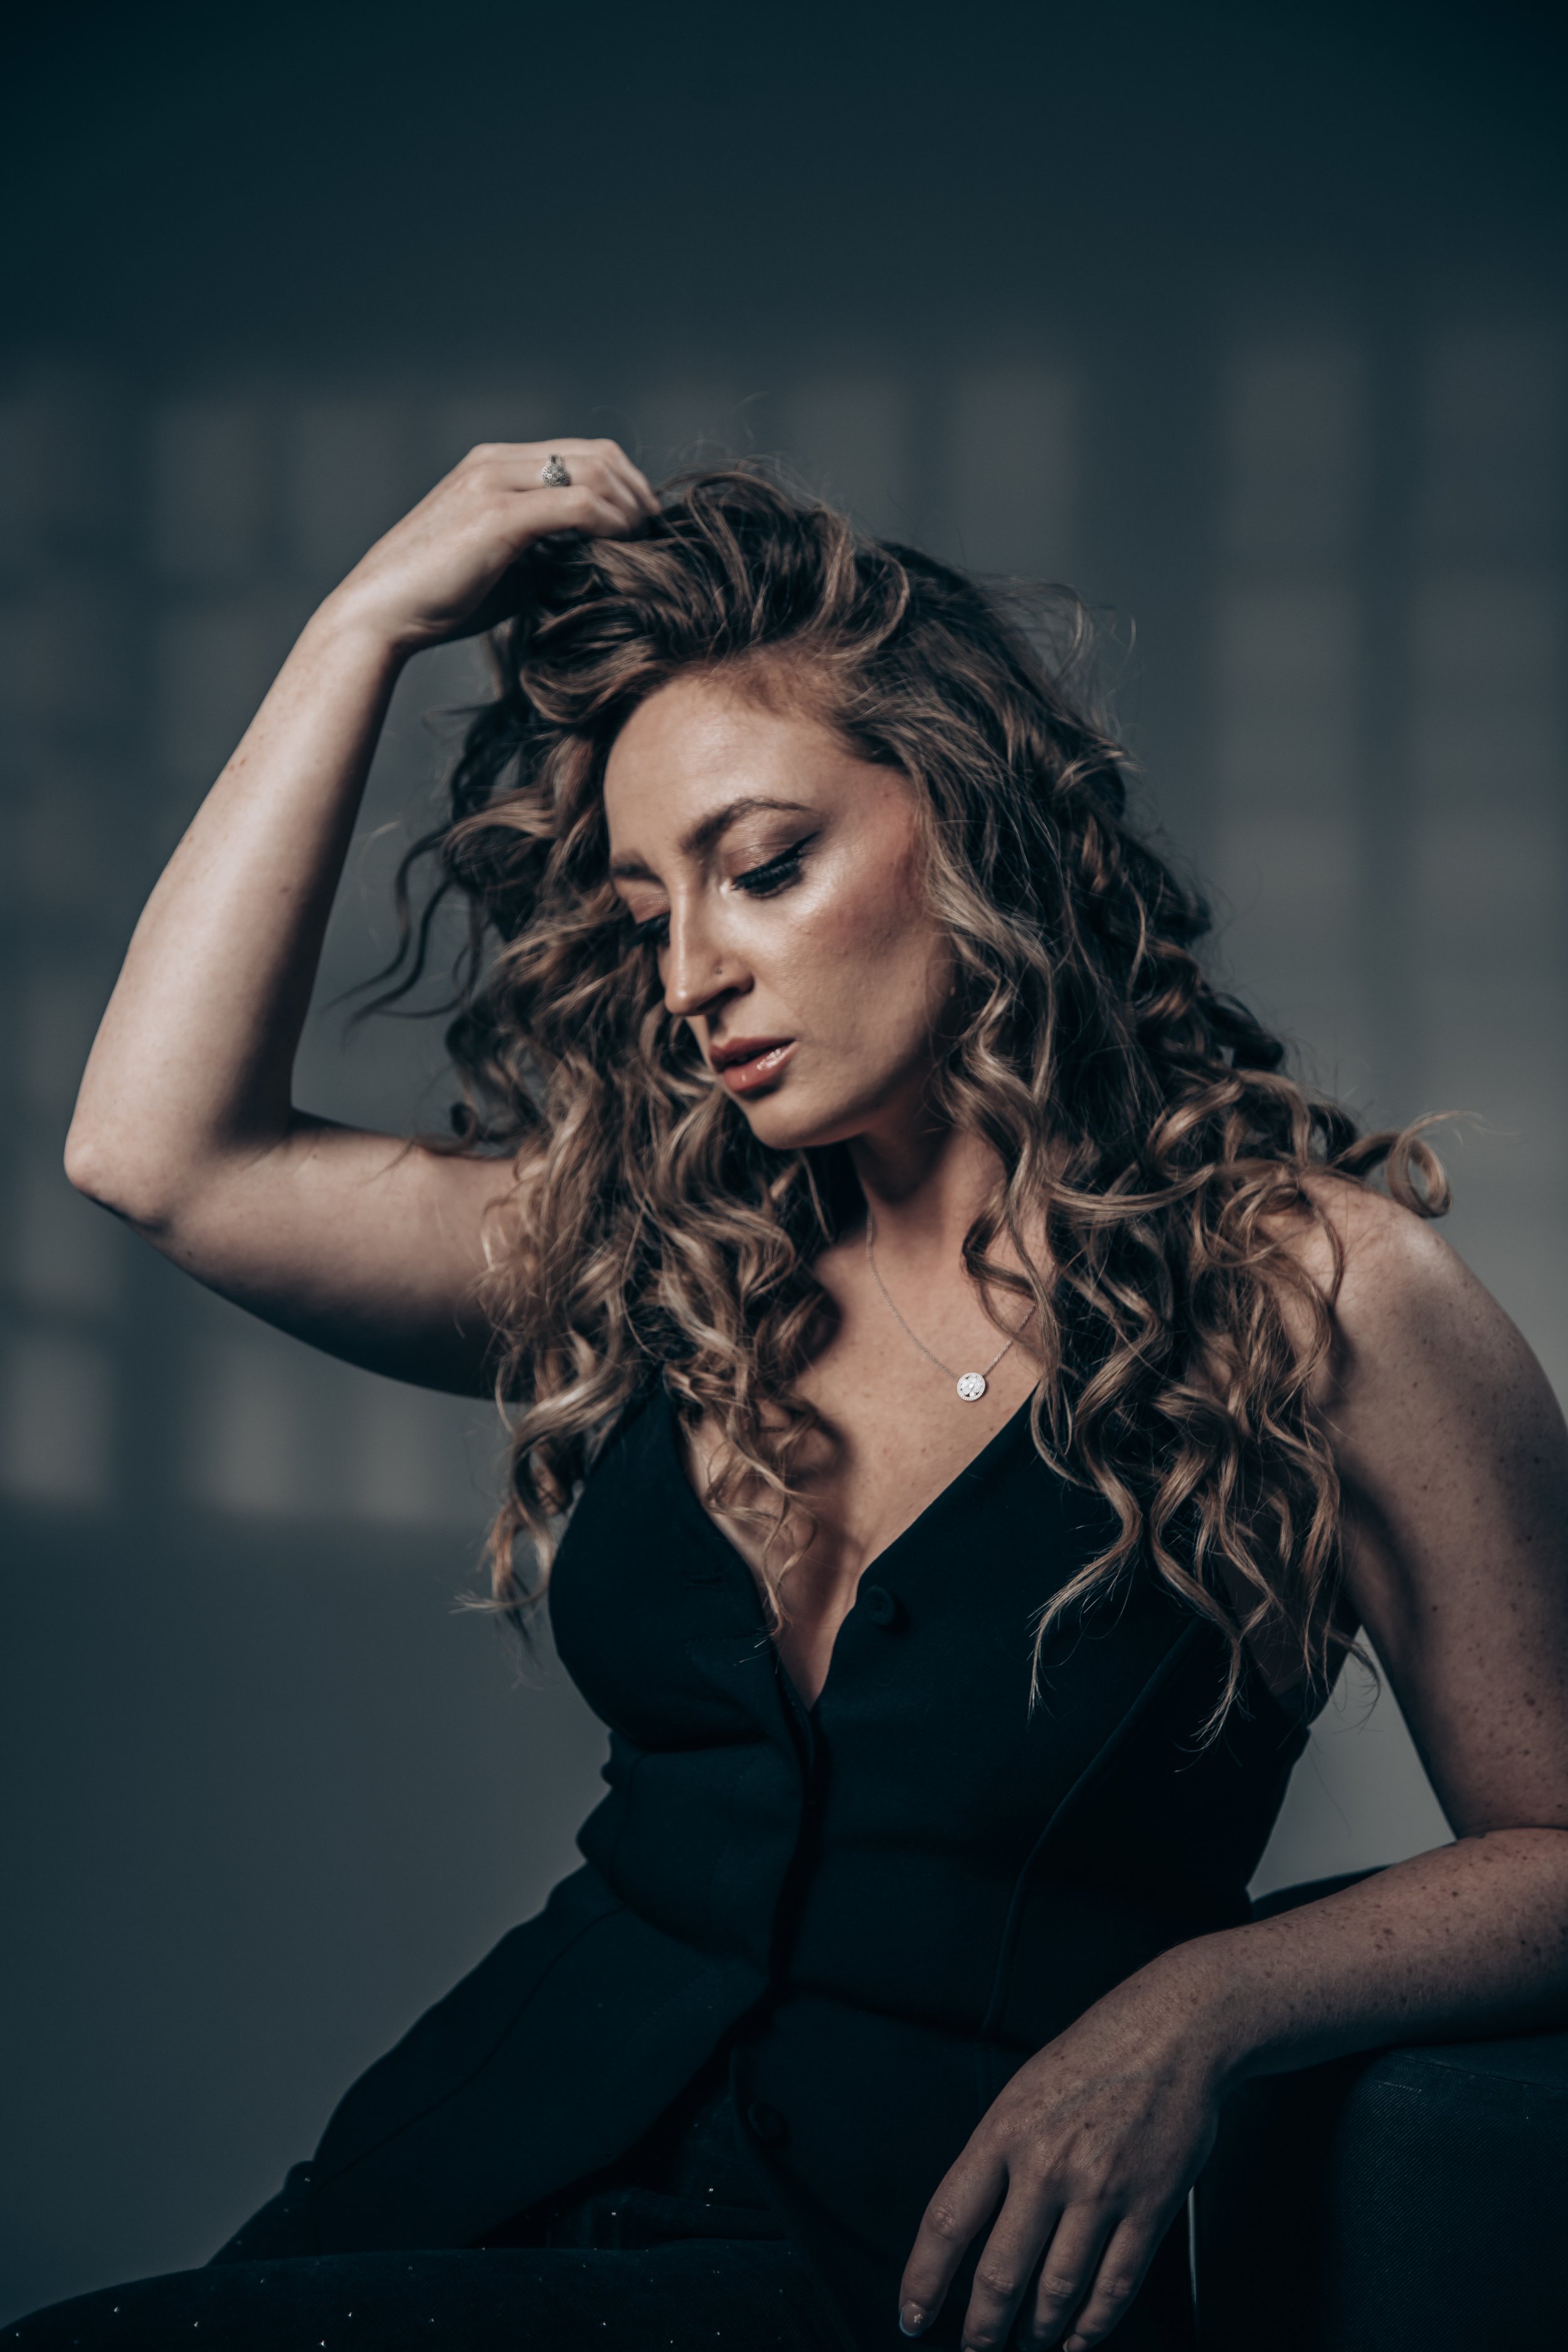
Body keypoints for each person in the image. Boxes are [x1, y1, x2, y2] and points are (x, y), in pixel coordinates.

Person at [14, 446, 1568, 2352]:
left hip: (901, 2265)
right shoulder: (670, 1253)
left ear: (972, 820)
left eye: (761, 867)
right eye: (646, 904)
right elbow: (154, 1153)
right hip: (484, 2162)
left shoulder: (1314, 1295)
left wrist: (1201, 2005)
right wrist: (365, 624)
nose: (691, 972)